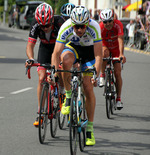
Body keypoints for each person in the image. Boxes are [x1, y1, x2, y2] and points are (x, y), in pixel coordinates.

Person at [51, 5, 103, 146]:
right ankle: (68, 96)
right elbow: (55, 53)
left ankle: (90, 130)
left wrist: (96, 74)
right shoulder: (66, 27)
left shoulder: (95, 27)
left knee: (87, 86)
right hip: (73, 48)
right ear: (72, 24)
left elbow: (99, 55)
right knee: (65, 60)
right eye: (76, 27)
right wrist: (55, 72)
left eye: (82, 26)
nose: (79, 30)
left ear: (87, 23)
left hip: (90, 52)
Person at [25, 2, 65, 127]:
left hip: (59, 48)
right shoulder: (35, 24)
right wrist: (31, 58)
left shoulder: (60, 22)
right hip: (45, 48)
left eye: (47, 25)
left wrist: (63, 61)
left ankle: (62, 92)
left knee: (62, 69)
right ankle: (40, 112)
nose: (45, 28)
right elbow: (30, 46)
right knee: (42, 78)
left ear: (52, 19)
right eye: (42, 26)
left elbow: (67, 44)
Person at [99, 8, 126, 110]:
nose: (108, 24)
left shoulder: (118, 24)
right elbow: (98, 43)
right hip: (105, 46)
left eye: (110, 21)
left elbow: (120, 39)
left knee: (118, 73)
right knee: (104, 53)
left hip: (116, 49)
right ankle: (102, 75)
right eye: (105, 22)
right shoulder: (100, 27)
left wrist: (121, 54)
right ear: (102, 21)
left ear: (113, 19)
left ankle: (118, 99)